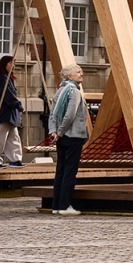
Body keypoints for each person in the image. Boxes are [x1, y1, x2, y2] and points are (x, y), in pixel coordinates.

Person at [49, 63, 88, 215]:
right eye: (78, 72)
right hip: (73, 136)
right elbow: (70, 115)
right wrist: (59, 131)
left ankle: (56, 205)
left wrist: (54, 132)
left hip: (61, 138)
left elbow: (53, 114)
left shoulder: (60, 90)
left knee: (60, 170)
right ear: (69, 76)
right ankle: (65, 206)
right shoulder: (74, 92)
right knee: (70, 172)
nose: (81, 73)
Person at [0, 55, 25, 169]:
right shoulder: (2, 79)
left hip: (9, 114)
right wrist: (18, 105)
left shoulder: (8, 79)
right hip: (3, 113)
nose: (13, 66)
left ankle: (15, 159)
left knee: (14, 137)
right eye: (11, 63)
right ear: (5, 65)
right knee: (0, 138)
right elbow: (8, 95)